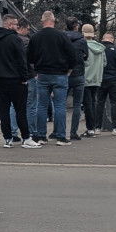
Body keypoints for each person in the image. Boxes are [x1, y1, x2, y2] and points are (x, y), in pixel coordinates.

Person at [0, 14, 39, 149]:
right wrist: (24, 78)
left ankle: (7, 138)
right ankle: (26, 137)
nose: (17, 27)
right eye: (16, 24)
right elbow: (22, 60)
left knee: (4, 111)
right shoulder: (15, 40)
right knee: (20, 110)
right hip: (16, 80)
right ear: (10, 25)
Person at [27, 11, 76, 146]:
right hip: (60, 74)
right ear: (54, 20)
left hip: (42, 74)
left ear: (42, 21)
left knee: (41, 106)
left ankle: (41, 136)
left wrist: (36, 69)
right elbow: (73, 55)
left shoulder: (35, 37)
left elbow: (29, 57)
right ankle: (61, 137)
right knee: (60, 105)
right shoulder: (62, 36)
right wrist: (69, 70)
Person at [95, 32, 116, 136]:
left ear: (103, 39)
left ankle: (97, 127)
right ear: (112, 40)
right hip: (113, 79)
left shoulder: (98, 49)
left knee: (99, 103)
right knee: (114, 103)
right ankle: (115, 128)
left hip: (100, 79)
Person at [64, 17, 89, 141]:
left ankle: (60, 131)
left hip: (65, 74)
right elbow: (86, 56)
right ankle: (73, 132)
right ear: (76, 26)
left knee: (60, 104)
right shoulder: (81, 40)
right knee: (77, 105)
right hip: (79, 73)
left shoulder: (62, 39)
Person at [81, 25, 105, 137]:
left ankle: (90, 128)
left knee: (87, 104)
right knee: (93, 102)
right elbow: (104, 63)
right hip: (97, 78)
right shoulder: (100, 47)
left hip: (85, 78)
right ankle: (95, 126)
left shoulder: (82, 46)